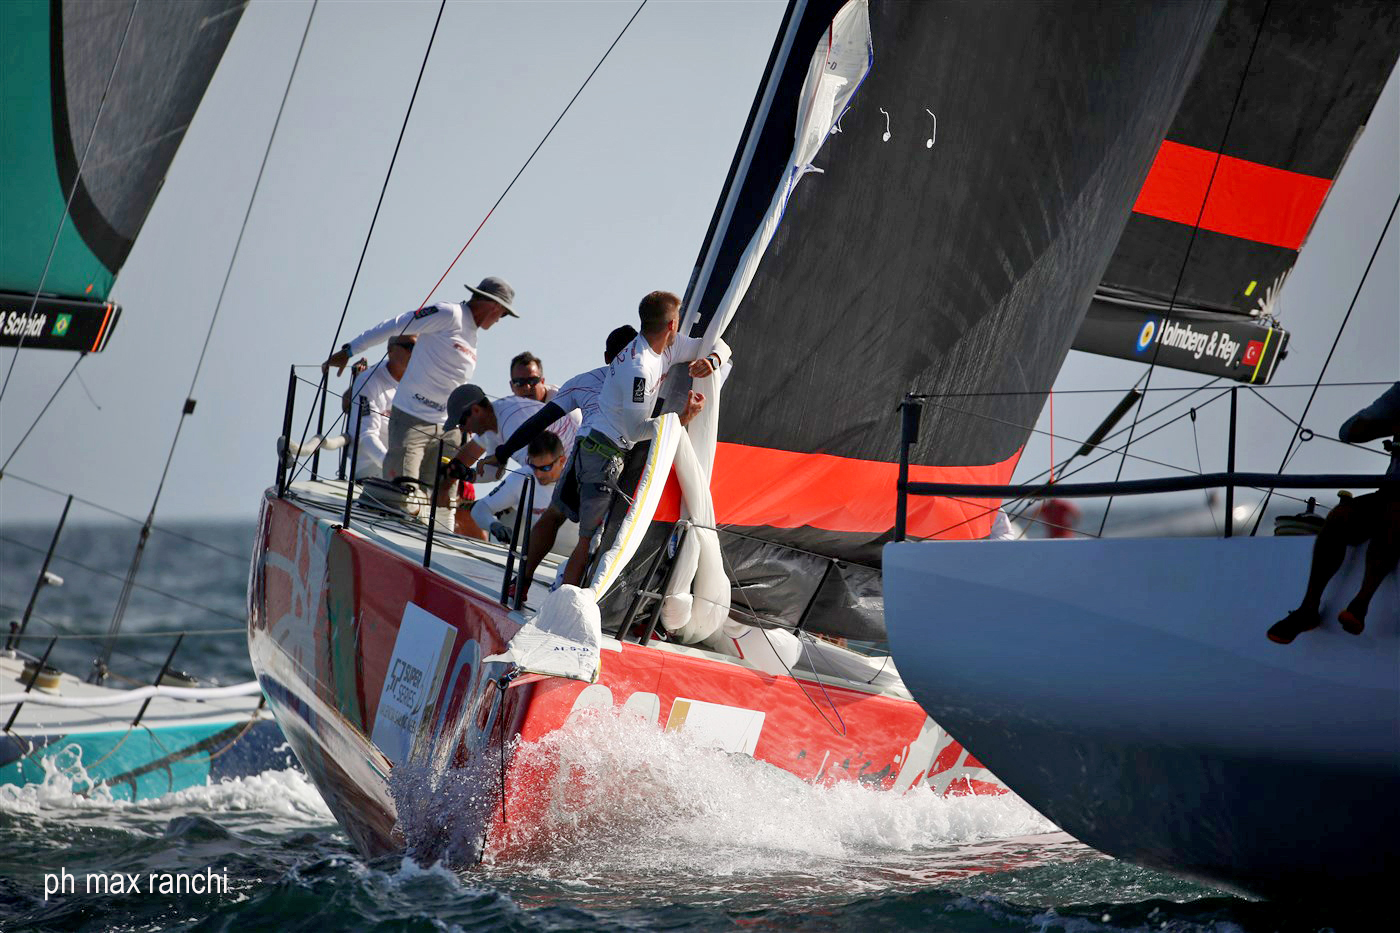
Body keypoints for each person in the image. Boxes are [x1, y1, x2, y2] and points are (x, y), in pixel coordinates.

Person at [561, 290, 730, 588]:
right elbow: (636, 431)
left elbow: (720, 344)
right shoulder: (638, 369)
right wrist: (683, 418)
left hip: (608, 448)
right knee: (589, 539)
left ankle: (576, 592)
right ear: (672, 324)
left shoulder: (668, 346)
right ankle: (565, 600)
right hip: (603, 453)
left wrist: (713, 360)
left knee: (596, 535)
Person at [322, 276, 518, 491]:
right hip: (412, 419)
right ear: (494, 306)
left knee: (441, 497)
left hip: (448, 428)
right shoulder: (449, 313)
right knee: (401, 492)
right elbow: (397, 324)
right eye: (503, 314)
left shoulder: (472, 336)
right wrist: (350, 350)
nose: (500, 320)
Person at [484, 325, 637, 599]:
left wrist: (504, 451)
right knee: (587, 537)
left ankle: (521, 582)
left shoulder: (582, 381)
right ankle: (563, 604)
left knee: (553, 515)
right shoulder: (646, 383)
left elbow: (539, 421)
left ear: (606, 356)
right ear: (638, 353)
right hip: (609, 458)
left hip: (581, 449)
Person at [1268, 382, 1400, 644]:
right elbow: (1348, 431)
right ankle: (1308, 609)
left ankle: (1361, 604)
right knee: (1341, 515)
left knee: (1396, 512)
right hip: (1390, 492)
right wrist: (1394, 426)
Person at [470, 433, 577, 562]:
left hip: (572, 562)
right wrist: (493, 525)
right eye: (533, 466)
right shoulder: (522, 477)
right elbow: (480, 508)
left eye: (545, 468)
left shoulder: (580, 480)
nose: (538, 474)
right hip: (534, 559)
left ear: (562, 461)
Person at [341, 336, 414, 479]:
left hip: (410, 468)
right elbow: (366, 434)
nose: (416, 352)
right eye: (410, 347)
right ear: (390, 350)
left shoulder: (423, 380)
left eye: (420, 347)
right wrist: (390, 464)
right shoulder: (369, 379)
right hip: (373, 467)